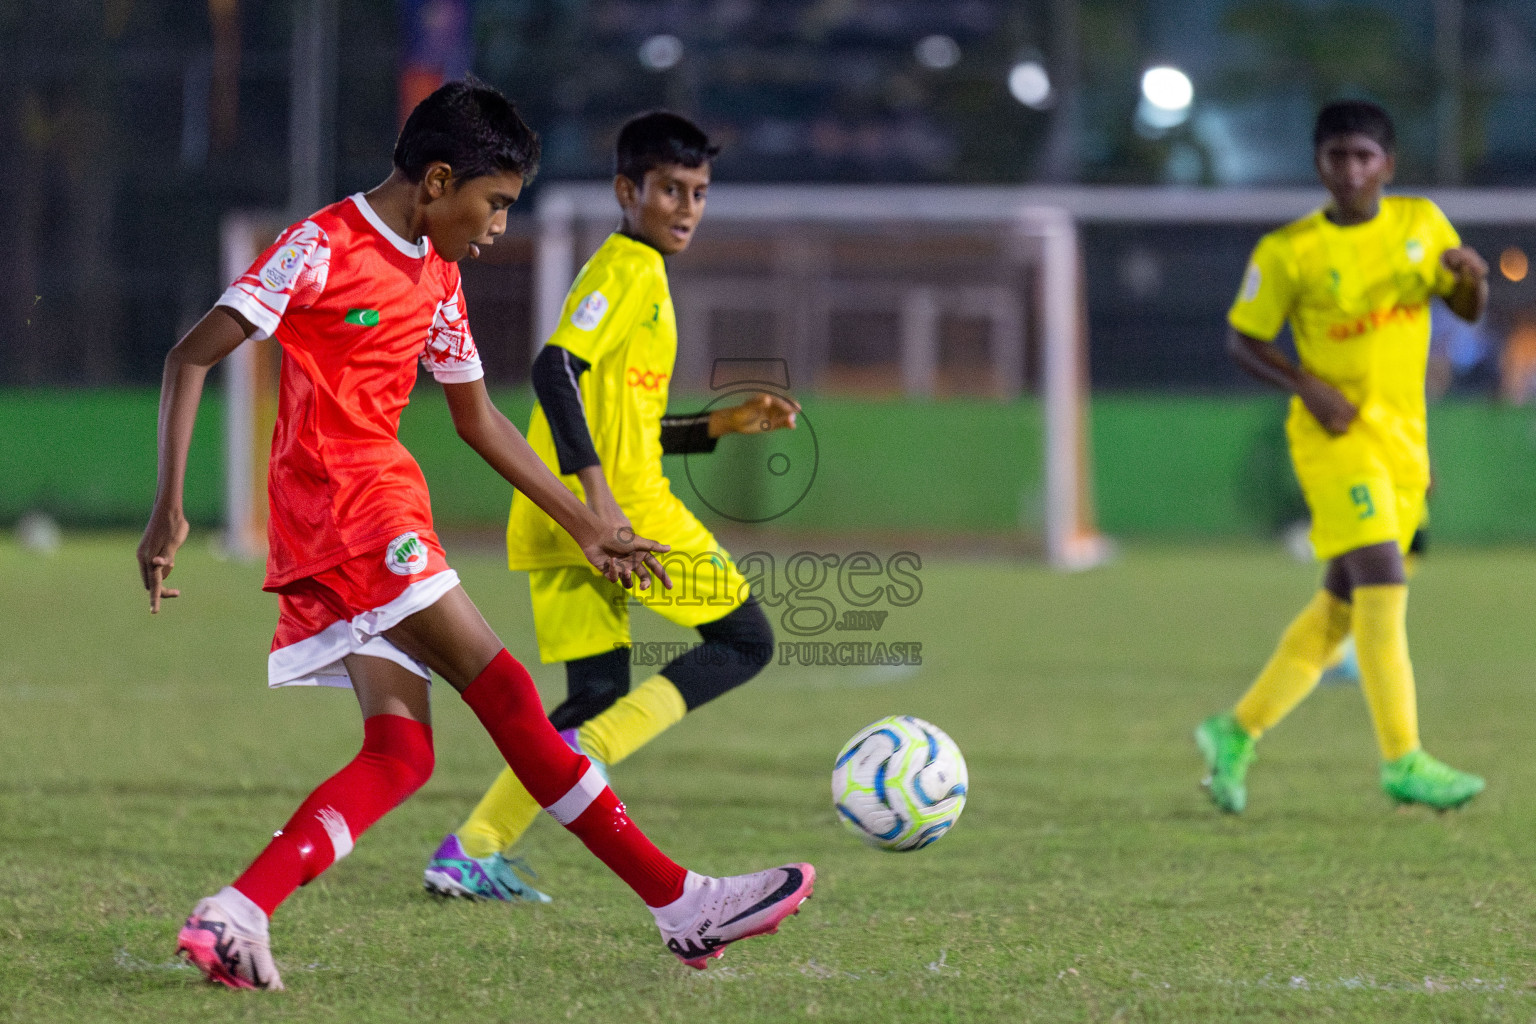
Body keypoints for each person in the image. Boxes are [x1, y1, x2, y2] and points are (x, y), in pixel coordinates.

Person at [137, 81, 812, 991]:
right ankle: (680, 904)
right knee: (507, 693)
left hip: (358, 517)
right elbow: (191, 356)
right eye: (492, 205)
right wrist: (168, 507)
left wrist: (588, 522)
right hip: (353, 510)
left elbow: (480, 420)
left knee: (401, 754)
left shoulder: (438, 272)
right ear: (438, 180)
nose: (497, 228)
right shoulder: (319, 247)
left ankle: (236, 913)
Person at [423, 110, 801, 903]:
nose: (687, 207)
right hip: (621, 519)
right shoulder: (626, 268)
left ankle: (473, 847)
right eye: (670, 189)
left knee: (593, 689)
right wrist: (600, 510)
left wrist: (721, 425)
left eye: (698, 192)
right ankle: (590, 753)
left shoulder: (641, 276)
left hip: (563, 520)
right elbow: (554, 370)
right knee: (745, 641)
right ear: (628, 191)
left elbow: (620, 423)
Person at [1195, 100, 1488, 814]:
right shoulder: (1289, 251)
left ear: (1387, 164)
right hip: (1333, 439)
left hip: (1402, 441)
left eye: (1364, 156)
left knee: (1339, 606)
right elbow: (1243, 341)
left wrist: (1473, 277)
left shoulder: (1422, 225)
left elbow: (1468, 308)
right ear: (1319, 164)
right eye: (1338, 156)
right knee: (1385, 579)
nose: (1351, 170)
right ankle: (1404, 759)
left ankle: (1234, 731)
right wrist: (1306, 385)